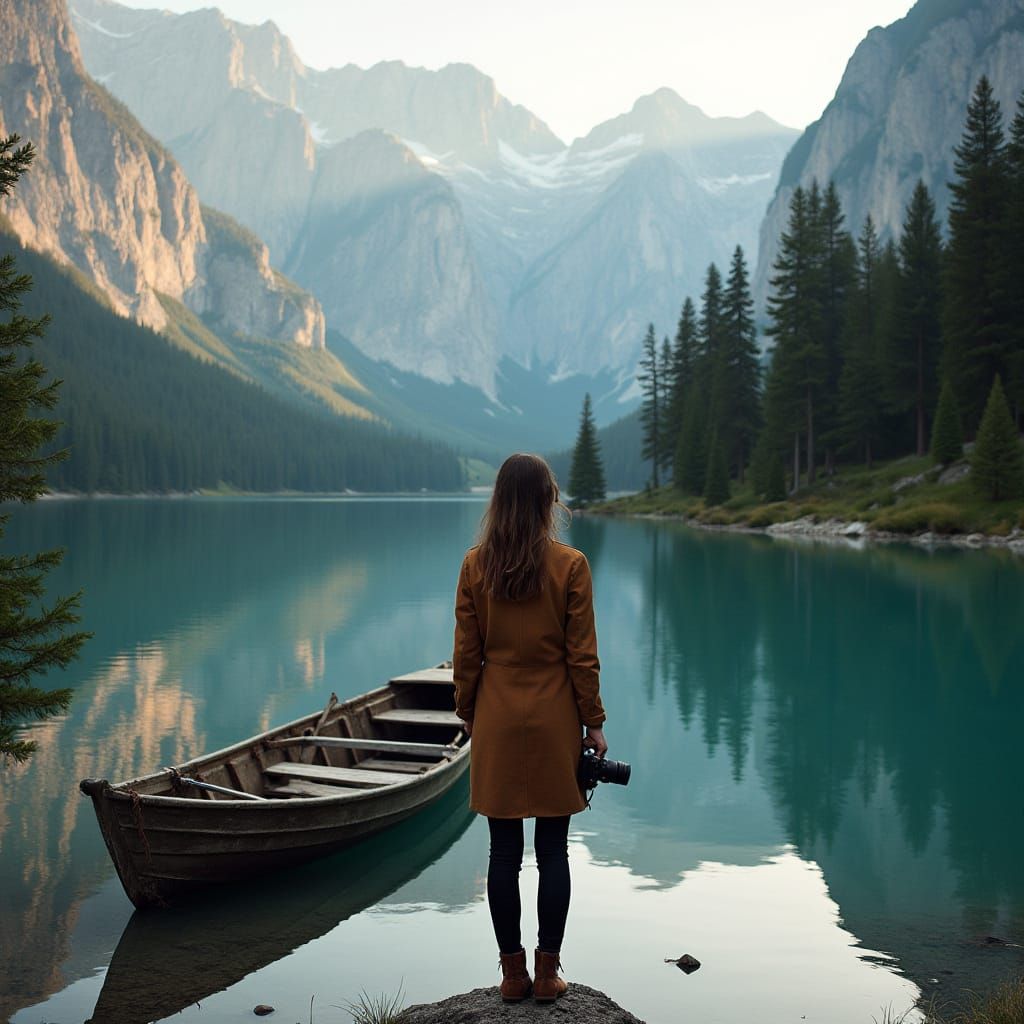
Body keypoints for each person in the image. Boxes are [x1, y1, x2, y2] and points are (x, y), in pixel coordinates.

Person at [452, 452, 607, 1005]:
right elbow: (581, 657)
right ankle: (547, 973)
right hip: (553, 718)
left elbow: (466, 656)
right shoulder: (570, 565)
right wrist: (594, 724)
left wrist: (468, 711)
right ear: (548, 501)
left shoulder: (475, 566)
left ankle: (511, 974)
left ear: (498, 501)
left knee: (501, 852)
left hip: (495, 712)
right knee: (554, 851)